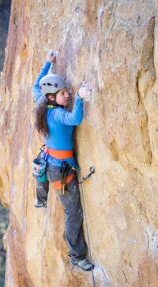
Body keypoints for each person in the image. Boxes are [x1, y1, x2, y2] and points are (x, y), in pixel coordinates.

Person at [32, 49, 94, 271]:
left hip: (53, 165)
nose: (66, 95)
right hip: (61, 170)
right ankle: (77, 255)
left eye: (67, 92)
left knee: (71, 210)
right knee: (73, 212)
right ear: (52, 97)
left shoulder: (41, 104)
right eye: (62, 94)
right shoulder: (57, 115)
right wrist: (79, 99)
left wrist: (47, 64)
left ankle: (41, 197)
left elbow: (35, 85)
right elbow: (75, 118)